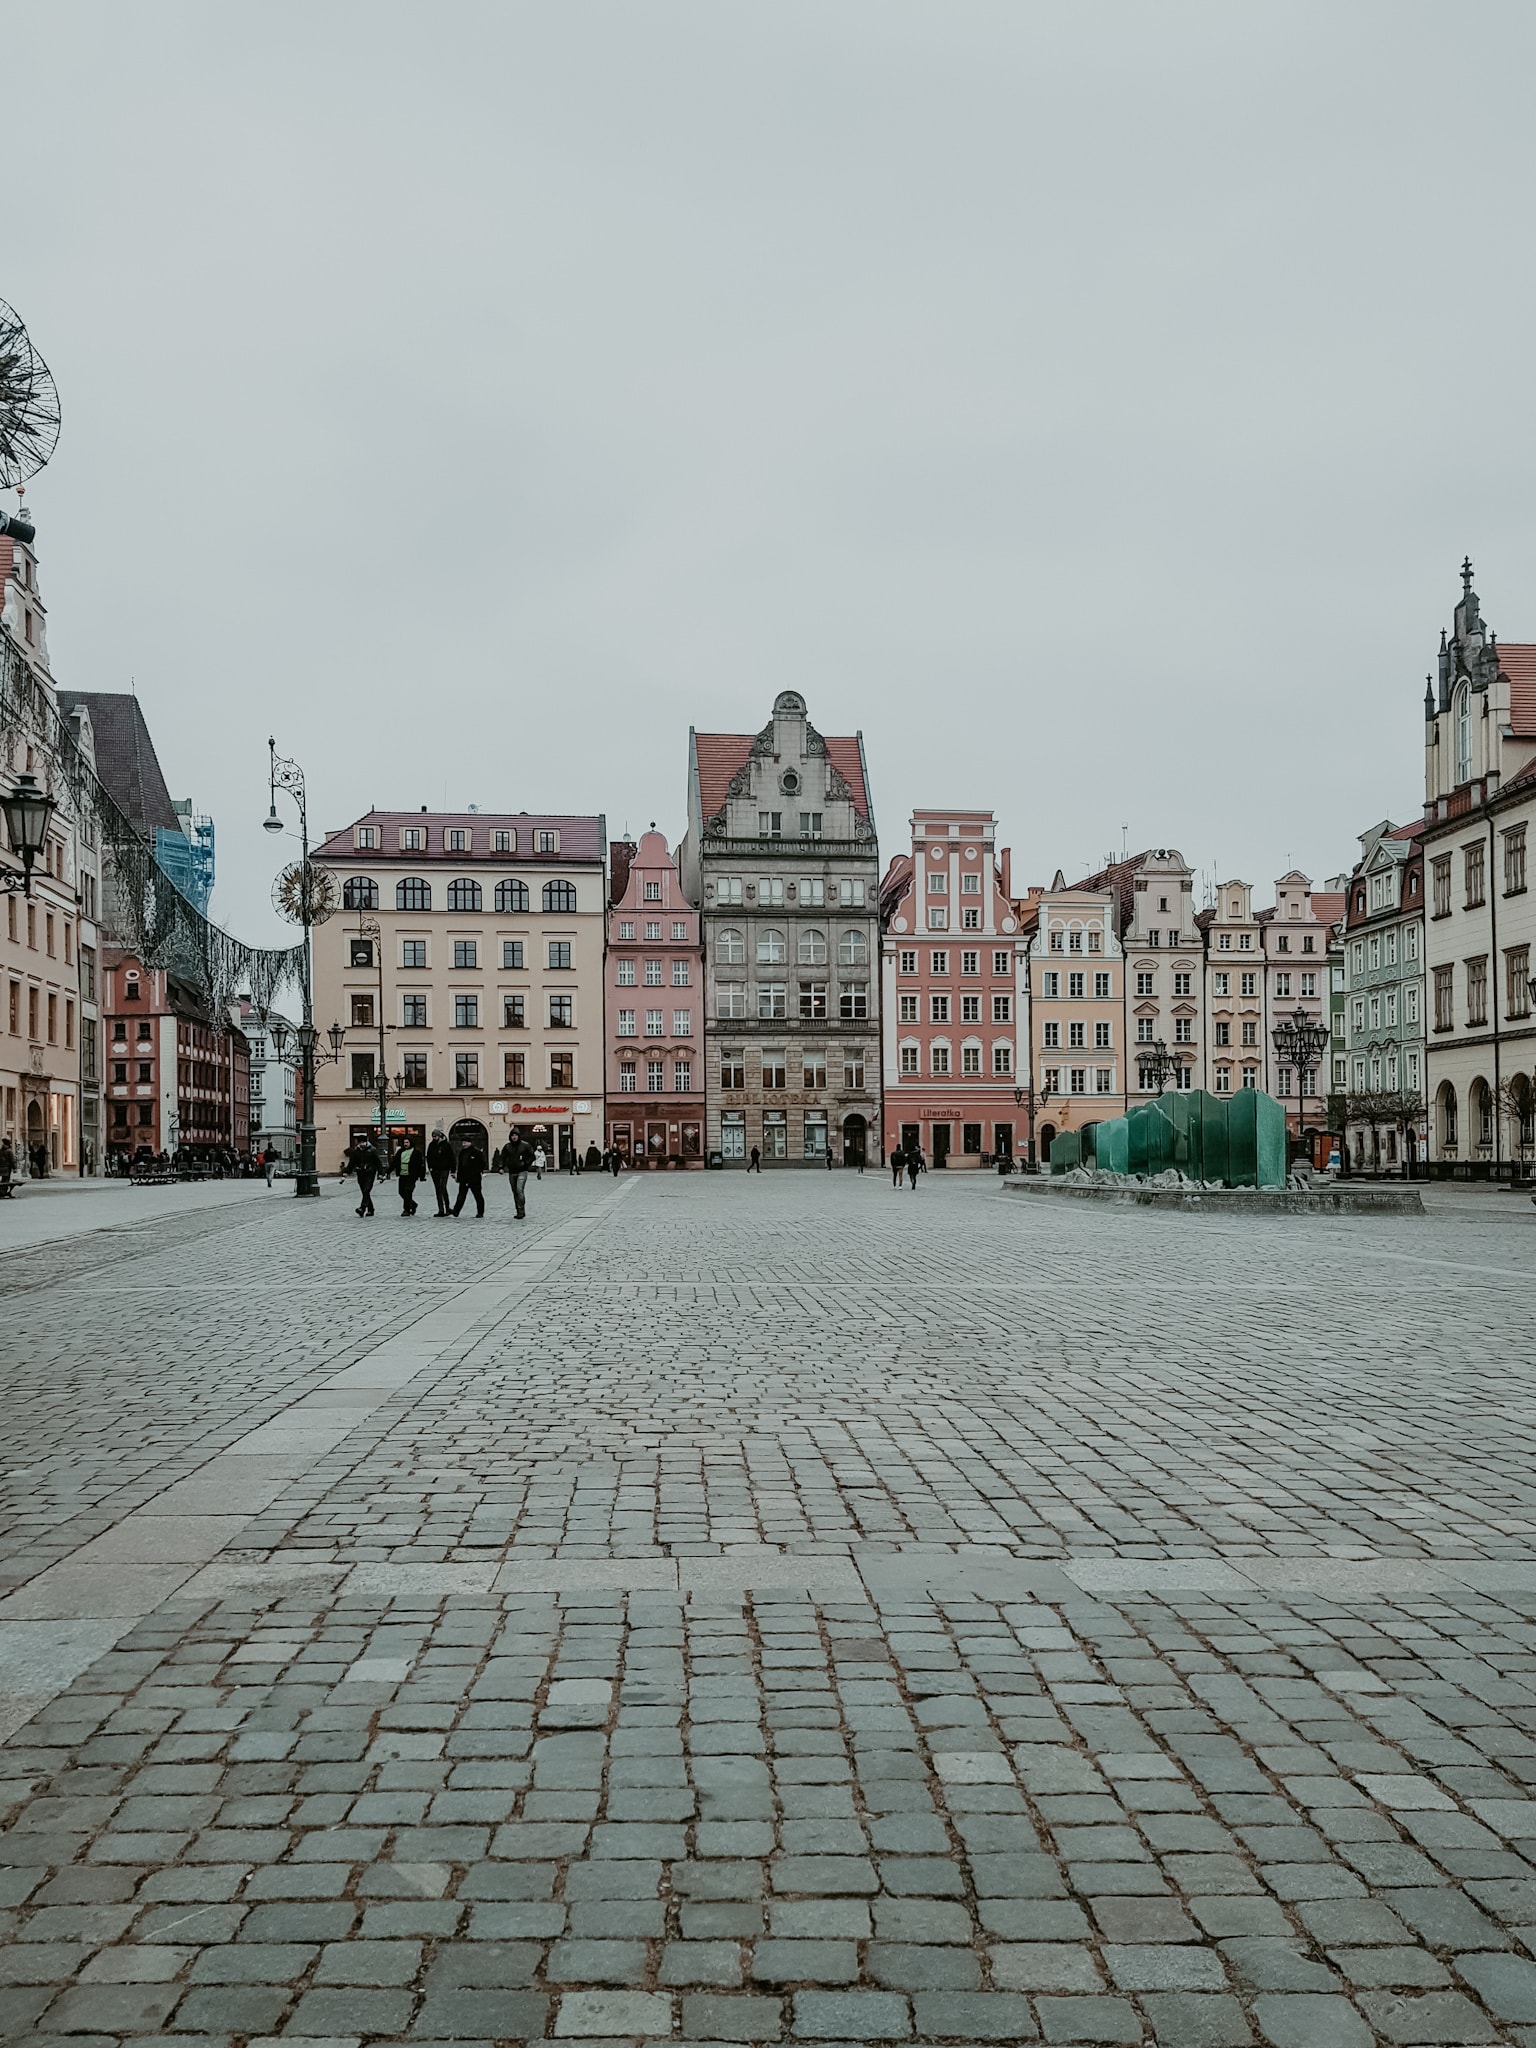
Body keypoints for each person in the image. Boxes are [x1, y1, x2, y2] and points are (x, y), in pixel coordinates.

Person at [452, 1139, 485, 1218]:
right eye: (463, 1143)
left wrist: (477, 1172)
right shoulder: (462, 1152)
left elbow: (482, 1164)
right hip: (464, 1178)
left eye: (465, 1143)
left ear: (470, 1143)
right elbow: (460, 1166)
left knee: (478, 1195)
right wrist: (458, 1177)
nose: (464, 1144)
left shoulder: (476, 1152)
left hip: (474, 1178)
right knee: (461, 1195)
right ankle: (456, 1211)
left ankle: (480, 1212)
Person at [426, 1130, 456, 1217]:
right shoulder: (431, 1145)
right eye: (433, 1137)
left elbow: (452, 1158)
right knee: (438, 1189)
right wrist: (430, 1167)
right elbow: (429, 1157)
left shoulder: (446, 1145)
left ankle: (447, 1208)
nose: (434, 1138)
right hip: (434, 1170)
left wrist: (453, 1170)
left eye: (435, 1136)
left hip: (444, 1169)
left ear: (439, 1136)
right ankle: (441, 1209)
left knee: (443, 1187)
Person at [506, 1132, 534, 1219]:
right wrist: (501, 1167)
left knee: (519, 1190)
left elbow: (532, 1156)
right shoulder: (508, 1146)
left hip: (522, 1171)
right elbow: (503, 1157)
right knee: (515, 1192)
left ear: (518, 1136)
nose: (514, 1137)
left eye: (516, 1135)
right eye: (512, 1135)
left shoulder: (525, 1145)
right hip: (512, 1171)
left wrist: (526, 1163)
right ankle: (518, 1210)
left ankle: (521, 1209)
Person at [394, 1135, 423, 1216]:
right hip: (402, 1174)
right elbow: (394, 1163)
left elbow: (420, 1165)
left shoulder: (416, 1152)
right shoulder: (400, 1152)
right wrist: (387, 1172)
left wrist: (421, 1176)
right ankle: (413, 1204)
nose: (405, 1144)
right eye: (404, 1142)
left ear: (410, 1143)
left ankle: (406, 1210)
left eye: (407, 1142)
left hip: (411, 1175)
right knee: (401, 1192)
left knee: (408, 1192)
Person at [355, 1136, 380, 1218]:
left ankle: (362, 1208)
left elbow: (378, 1162)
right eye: (360, 1142)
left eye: (363, 1142)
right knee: (365, 1192)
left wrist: (381, 1173)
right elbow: (352, 1162)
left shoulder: (372, 1150)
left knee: (366, 1190)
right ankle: (371, 1209)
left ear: (366, 1142)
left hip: (370, 1173)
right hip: (360, 1174)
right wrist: (346, 1173)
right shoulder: (357, 1151)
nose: (361, 1144)